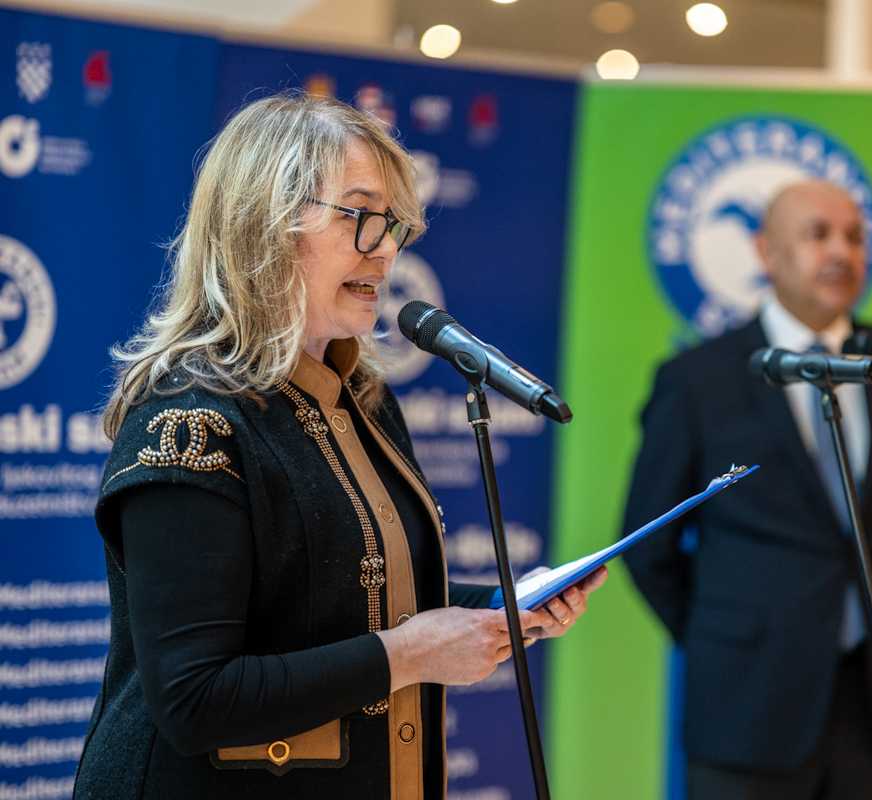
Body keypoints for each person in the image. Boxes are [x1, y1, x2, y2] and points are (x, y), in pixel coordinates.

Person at [73, 93, 606, 800]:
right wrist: (411, 656)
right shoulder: (188, 421)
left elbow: (345, 601)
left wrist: (505, 606)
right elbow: (194, 698)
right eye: (360, 216)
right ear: (265, 226)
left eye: (393, 224)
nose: (385, 249)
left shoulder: (363, 398)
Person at [622, 180, 872, 799]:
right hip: (745, 705)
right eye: (817, 235)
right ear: (765, 251)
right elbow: (649, 544)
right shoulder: (698, 379)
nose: (841, 253)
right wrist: (727, 634)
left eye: (854, 237)